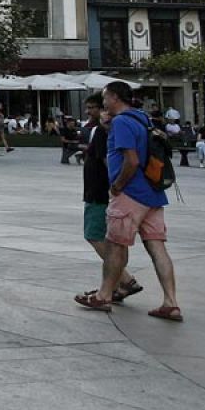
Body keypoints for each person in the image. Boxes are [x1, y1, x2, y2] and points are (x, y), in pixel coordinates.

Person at [75, 82, 181, 321]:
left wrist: (118, 185)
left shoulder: (122, 122)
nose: (103, 103)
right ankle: (171, 302)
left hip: (131, 194)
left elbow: (130, 161)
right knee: (157, 247)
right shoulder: (142, 118)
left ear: (114, 97)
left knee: (115, 246)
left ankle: (103, 295)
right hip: (153, 193)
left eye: (105, 98)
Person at [77, 95, 141, 304]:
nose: (90, 112)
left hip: (100, 193)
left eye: (94, 107)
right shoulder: (106, 130)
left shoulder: (106, 132)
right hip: (102, 191)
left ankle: (125, 280)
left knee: (94, 235)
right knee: (113, 242)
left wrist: (114, 187)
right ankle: (115, 285)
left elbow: (109, 162)